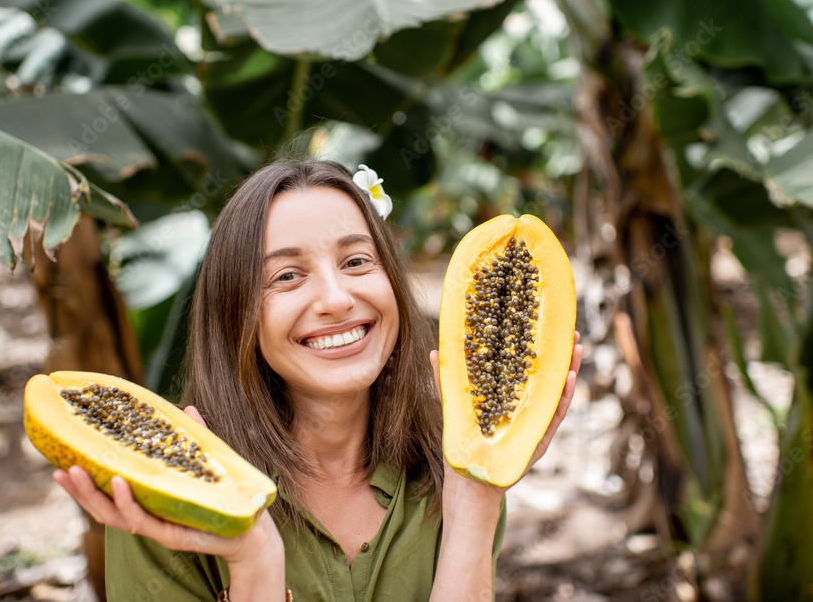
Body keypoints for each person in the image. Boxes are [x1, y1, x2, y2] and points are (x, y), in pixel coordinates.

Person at [54, 160, 582, 601]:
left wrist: (475, 503)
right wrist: (255, 560)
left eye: (356, 261)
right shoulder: (166, 489)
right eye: (287, 275)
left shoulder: (455, 471)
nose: (335, 299)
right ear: (237, 313)